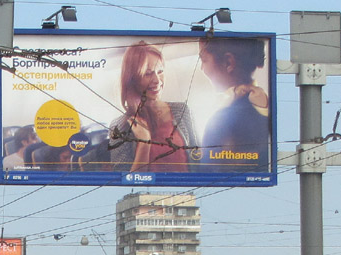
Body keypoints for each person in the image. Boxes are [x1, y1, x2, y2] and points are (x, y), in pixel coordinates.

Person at [109, 41, 199, 173]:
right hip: (142, 193)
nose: (157, 80)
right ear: (132, 78)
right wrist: (144, 144)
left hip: (186, 192)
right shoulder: (119, 126)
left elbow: (198, 160)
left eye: (160, 71)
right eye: (148, 73)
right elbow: (123, 182)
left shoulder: (182, 111)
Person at [198, 37, 270, 170]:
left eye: (204, 60)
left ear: (228, 63)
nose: (202, 68)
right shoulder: (269, 108)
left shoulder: (222, 119)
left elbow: (208, 172)